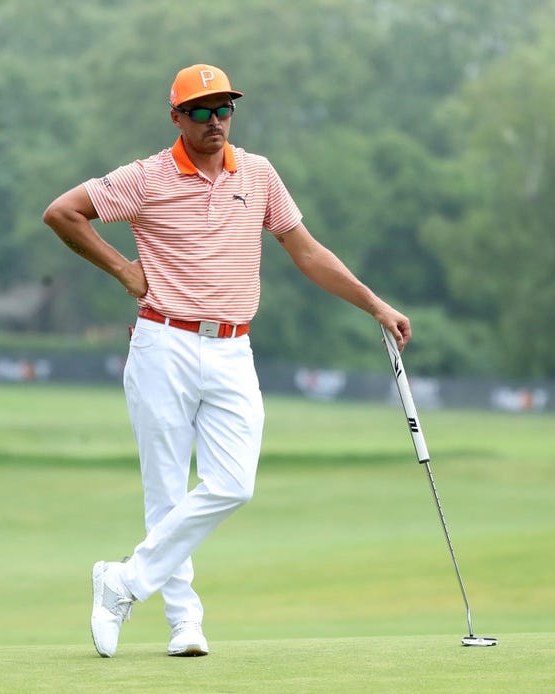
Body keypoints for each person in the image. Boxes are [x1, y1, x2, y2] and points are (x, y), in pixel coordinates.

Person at [42, 63, 412, 658]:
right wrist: (123, 270)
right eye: (202, 111)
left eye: (225, 109)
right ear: (177, 118)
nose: (216, 121)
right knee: (165, 490)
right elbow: (62, 211)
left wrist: (374, 305)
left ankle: (123, 581)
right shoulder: (146, 177)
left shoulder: (260, 175)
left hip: (234, 346)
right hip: (164, 341)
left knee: (234, 484)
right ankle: (184, 622)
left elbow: (307, 251)